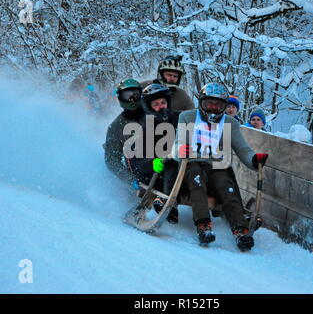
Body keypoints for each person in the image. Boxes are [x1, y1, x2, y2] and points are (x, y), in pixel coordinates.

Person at [173, 83, 269, 251]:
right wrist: (182, 150)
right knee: (196, 177)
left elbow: (242, 149)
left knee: (226, 186)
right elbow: (178, 142)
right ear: (202, 103)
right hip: (192, 163)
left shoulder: (230, 123)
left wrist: (254, 160)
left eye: (218, 105)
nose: (213, 109)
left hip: (217, 165)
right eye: (209, 104)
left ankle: (240, 229)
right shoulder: (187, 117)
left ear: (224, 107)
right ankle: (203, 225)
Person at [134, 83, 180, 224]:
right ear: (149, 107)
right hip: (154, 173)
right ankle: (168, 204)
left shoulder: (178, 119)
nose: (161, 107)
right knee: (169, 163)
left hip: (180, 169)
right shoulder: (145, 126)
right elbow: (139, 163)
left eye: (163, 103)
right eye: (156, 104)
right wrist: (153, 162)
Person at [104, 79, 144, 183]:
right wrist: (129, 179)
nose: (132, 100)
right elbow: (112, 161)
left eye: (135, 95)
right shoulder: (115, 127)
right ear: (120, 98)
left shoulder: (153, 112)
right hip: (139, 172)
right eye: (127, 96)